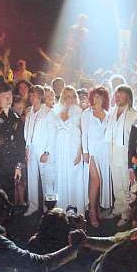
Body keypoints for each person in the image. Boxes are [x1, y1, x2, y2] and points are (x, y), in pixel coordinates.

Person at [105, 85, 137, 226]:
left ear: (128, 97)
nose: (117, 97)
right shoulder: (111, 112)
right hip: (112, 152)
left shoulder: (134, 115)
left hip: (126, 154)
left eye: (121, 95)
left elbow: (136, 139)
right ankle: (118, 209)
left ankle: (127, 214)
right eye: (116, 95)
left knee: (126, 185)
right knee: (117, 184)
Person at [81, 86, 112, 227]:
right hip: (91, 151)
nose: (97, 99)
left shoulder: (109, 114)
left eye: (100, 97)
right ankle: (92, 210)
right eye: (94, 96)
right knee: (96, 180)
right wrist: (85, 152)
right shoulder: (87, 114)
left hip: (105, 152)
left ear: (105, 98)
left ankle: (98, 206)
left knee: (102, 181)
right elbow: (84, 134)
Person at [24, 85, 56, 216]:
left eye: (35, 95)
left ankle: (49, 208)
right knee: (31, 178)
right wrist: (27, 147)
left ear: (40, 97)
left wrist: (47, 151)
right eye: (30, 95)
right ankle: (33, 205)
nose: (32, 98)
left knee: (47, 180)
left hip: (44, 149)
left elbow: (53, 134)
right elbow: (27, 131)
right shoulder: (29, 112)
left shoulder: (48, 112)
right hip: (32, 148)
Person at [53, 86, 85, 214]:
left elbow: (83, 134)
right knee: (60, 178)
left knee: (74, 179)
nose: (69, 99)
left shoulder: (79, 112)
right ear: (62, 98)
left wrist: (79, 153)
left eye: (72, 96)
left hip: (74, 150)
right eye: (66, 96)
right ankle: (61, 211)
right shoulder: (55, 112)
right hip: (59, 150)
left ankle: (76, 211)